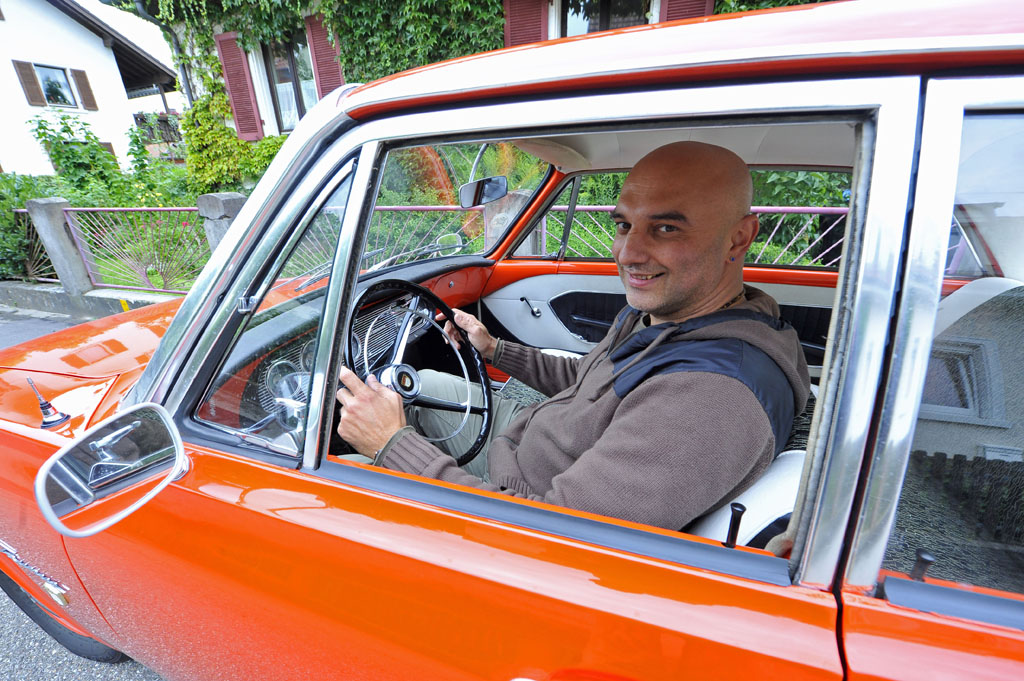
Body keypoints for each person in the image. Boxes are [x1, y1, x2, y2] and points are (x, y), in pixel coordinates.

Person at [335, 141, 810, 531]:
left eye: (666, 228)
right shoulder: (673, 316)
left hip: (522, 493)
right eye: (624, 225)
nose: (628, 253)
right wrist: (495, 349)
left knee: (342, 478)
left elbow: (549, 535)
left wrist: (392, 444)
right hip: (535, 438)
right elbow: (589, 379)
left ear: (739, 237)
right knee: (422, 386)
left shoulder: (708, 399)